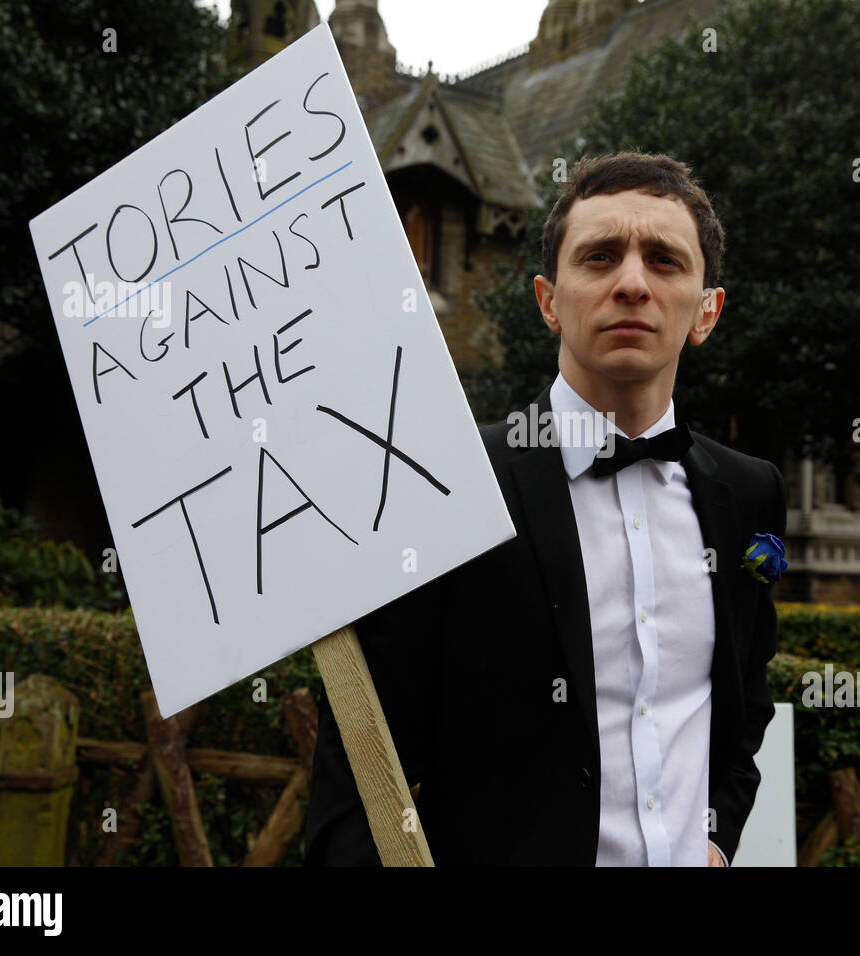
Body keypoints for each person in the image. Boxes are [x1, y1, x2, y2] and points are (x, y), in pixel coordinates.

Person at [307, 151, 787, 866]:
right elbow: (360, 753)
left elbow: (743, 701)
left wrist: (717, 834)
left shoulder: (750, 492)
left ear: (706, 312)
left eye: (664, 260)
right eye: (599, 257)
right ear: (548, 301)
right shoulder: (445, 481)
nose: (631, 283)